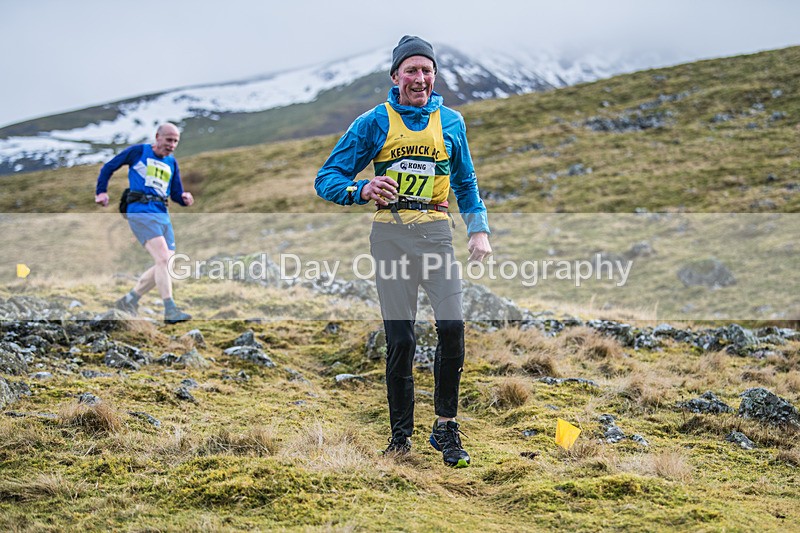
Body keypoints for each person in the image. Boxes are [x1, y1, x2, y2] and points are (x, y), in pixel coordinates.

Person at [316, 35, 492, 467]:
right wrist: (363, 188)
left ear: (435, 76)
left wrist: (478, 229)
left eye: (426, 70)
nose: (420, 78)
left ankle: (446, 428)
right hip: (390, 237)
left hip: (435, 234)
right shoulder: (374, 121)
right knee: (401, 339)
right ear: (395, 77)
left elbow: (466, 184)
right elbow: (327, 177)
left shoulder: (451, 122)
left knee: (451, 328)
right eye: (411, 70)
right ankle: (400, 439)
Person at [94, 123, 194, 324]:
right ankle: (170, 310)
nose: (172, 145)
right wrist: (101, 191)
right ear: (158, 136)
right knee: (163, 260)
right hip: (140, 210)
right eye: (169, 140)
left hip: (162, 213)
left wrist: (184, 198)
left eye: (176, 141)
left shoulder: (172, 163)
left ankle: (129, 300)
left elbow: (175, 193)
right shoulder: (138, 152)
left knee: (166, 262)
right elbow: (109, 166)